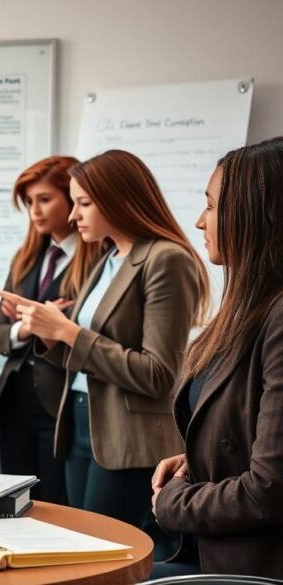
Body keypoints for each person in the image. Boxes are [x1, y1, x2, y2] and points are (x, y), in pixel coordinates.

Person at [0, 149, 209, 559]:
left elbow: (158, 373)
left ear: (119, 198)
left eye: (84, 203)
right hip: (80, 419)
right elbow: (82, 349)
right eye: (74, 203)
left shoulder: (166, 259)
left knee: (105, 554)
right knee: (83, 546)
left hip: (126, 433)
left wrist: (69, 333)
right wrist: (46, 331)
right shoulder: (108, 257)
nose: (74, 216)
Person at [150, 137, 283, 578]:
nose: (199, 221)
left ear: (257, 215)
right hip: (212, 549)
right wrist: (199, 458)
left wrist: (174, 502)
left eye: (211, 206)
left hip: (250, 565)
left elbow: (269, 490)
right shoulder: (250, 307)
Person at [0, 156, 102, 504]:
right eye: (29, 202)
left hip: (62, 403)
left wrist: (40, 323)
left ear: (72, 199)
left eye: (45, 199)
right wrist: (25, 327)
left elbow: (91, 335)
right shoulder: (25, 259)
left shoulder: (99, 260)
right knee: (14, 505)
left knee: (56, 505)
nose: (35, 211)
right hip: (15, 403)